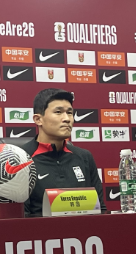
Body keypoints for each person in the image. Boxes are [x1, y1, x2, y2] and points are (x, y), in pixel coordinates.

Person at [20, 88, 106, 217]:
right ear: (38, 119)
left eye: (70, 113)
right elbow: (21, 218)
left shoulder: (84, 157)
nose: (67, 119)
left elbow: (100, 210)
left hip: (84, 229)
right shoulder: (20, 160)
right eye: (58, 112)